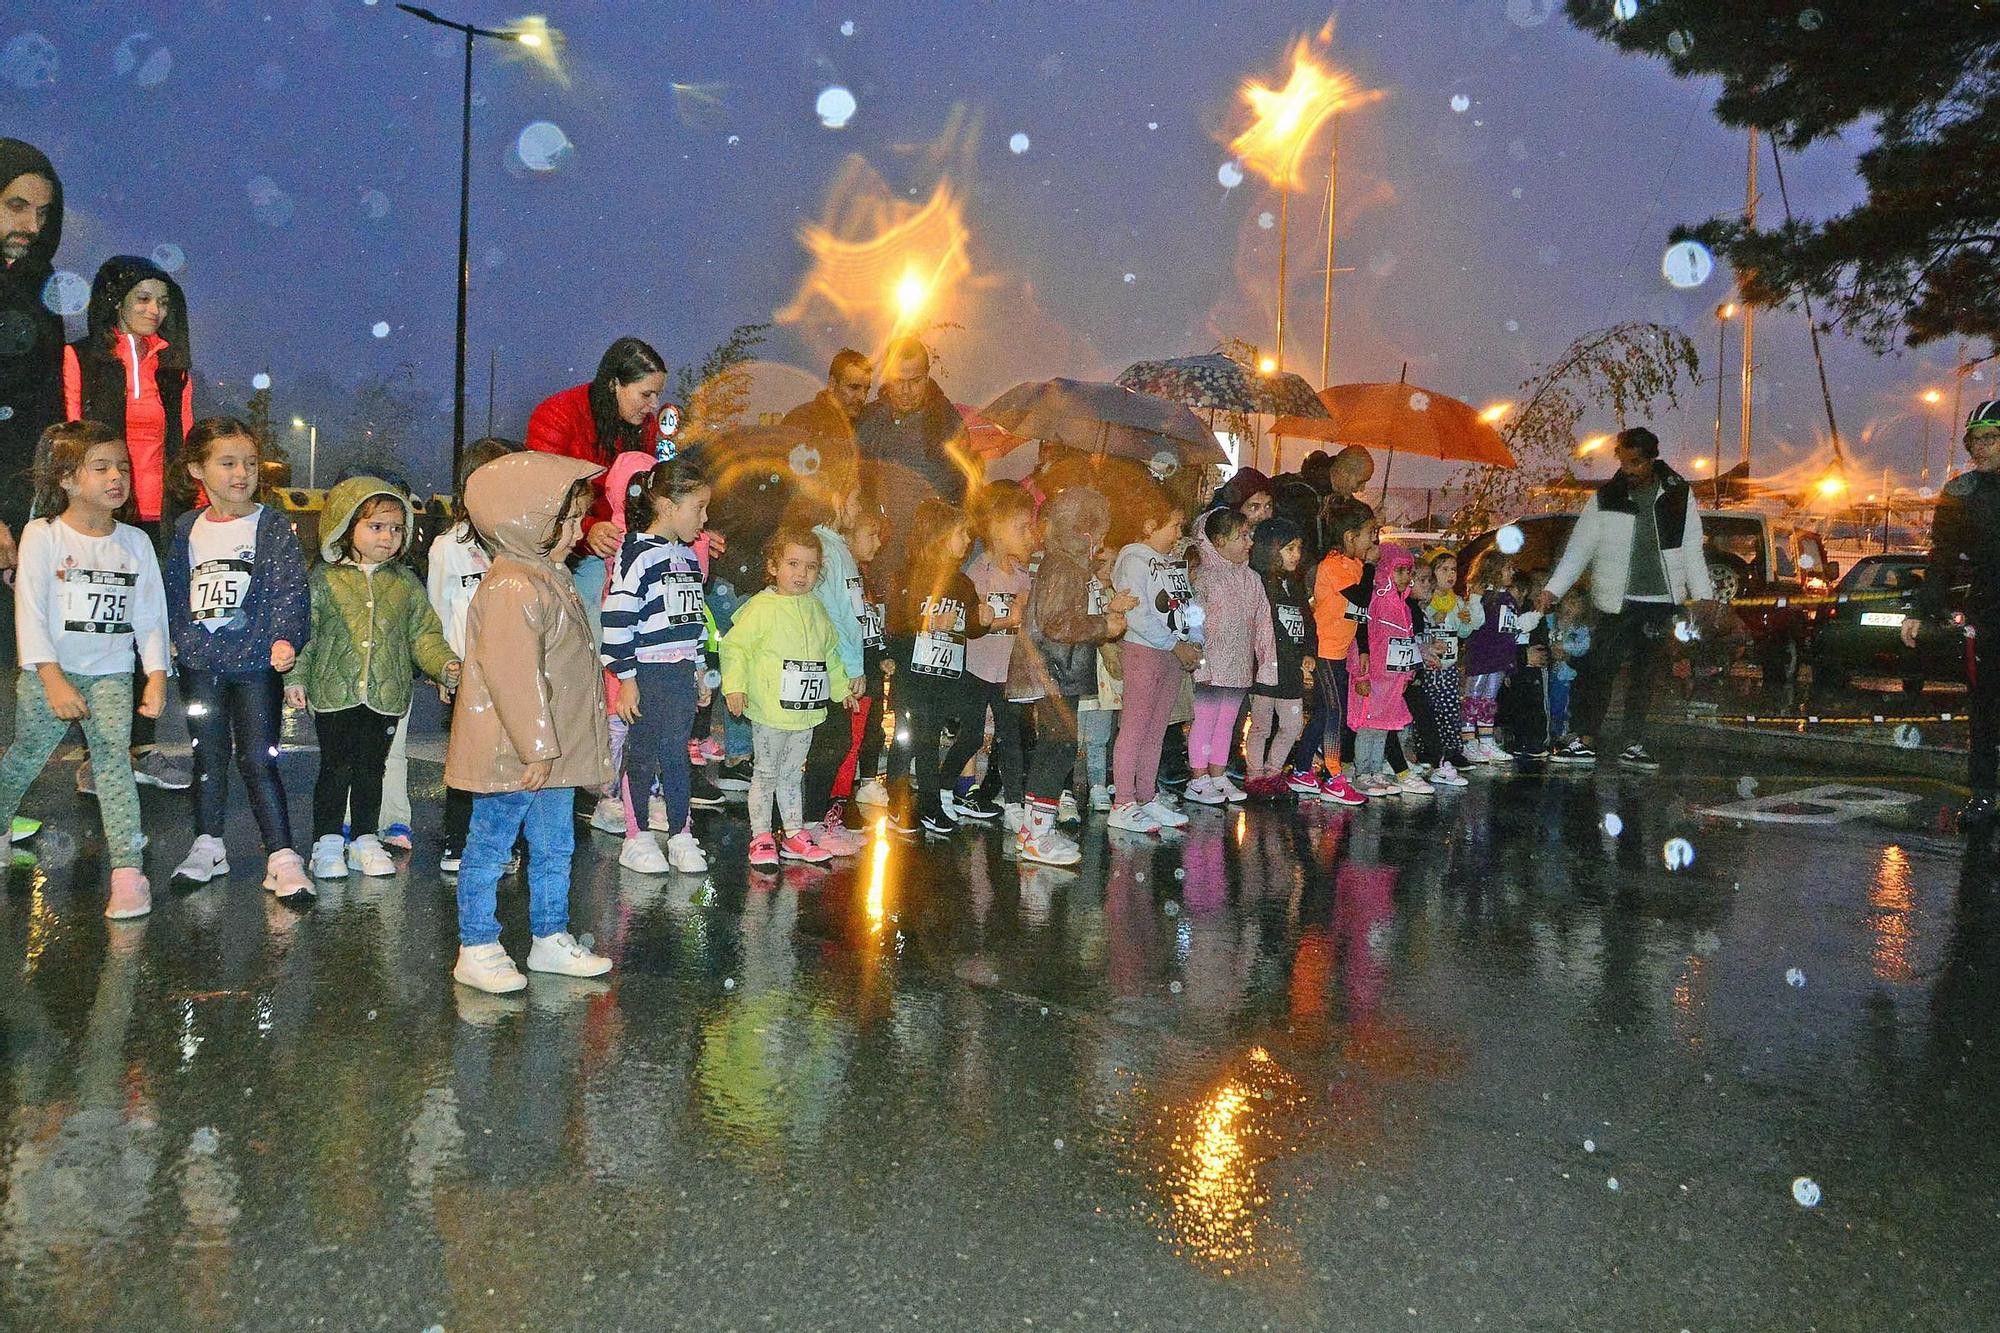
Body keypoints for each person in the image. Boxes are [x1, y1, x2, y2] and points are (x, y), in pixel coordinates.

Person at [445, 451, 616, 993]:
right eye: (564, 521)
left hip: (547, 751)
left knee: (554, 843)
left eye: (576, 519)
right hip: (516, 752)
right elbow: (514, 676)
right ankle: (476, 944)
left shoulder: (547, 575)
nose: (576, 530)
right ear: (525, 521)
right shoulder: (515, 586)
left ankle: (549, 936)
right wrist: (537, 746)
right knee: (491, 844)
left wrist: (552, 746)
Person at [0, 422, 168, 919]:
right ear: (69, 479)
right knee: (26, 758)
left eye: (122, 467)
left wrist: (156, 675)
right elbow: (28, 611)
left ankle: (128, 872)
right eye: (101, 468)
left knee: (114, 763)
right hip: (49, 672)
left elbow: (150, 615)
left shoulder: (136, 543)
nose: (117, 477)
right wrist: (51, 678)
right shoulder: (43, 534)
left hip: (112, 674)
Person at [160, 418, 312, 898]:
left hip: (254, 666)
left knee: (258, 756)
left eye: (249, 463)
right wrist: (174, 638)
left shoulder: (271, 525)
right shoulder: (187, 527)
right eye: (227, 463)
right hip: (201, 666)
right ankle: (208, 843)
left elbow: (291, 588)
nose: (241, 473)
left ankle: (282, 855)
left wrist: (286, 638)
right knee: (208, 754)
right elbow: (174, 589)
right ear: (197, 470)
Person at [288, 476, 458, 880]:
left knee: (371, 769)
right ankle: (326, 841)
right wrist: (296, 677)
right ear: (345, 526)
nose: (388, 537)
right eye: (376, 526)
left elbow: (424, 633)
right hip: (333, 692)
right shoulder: (324, 580)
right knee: (335, 767)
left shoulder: (404, 583)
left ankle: (364, 837)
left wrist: (445, 664)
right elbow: (305, 632)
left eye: (397, 528)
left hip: (386, 692)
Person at [1542, 426, 1714, 770]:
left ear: (1652, 459)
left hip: (1660, 600)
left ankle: (1633, 742)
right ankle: (1585, 738)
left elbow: (1691, 548)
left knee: (1645, 674)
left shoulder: (1678, 495)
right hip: (1616, 602)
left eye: (1636, 462)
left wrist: (1704, 595)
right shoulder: (1607, 498)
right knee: (1598, 669)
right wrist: (1552, 589)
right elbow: (1579, 550)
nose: (1629, 469)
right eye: (1624, 461)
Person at [602, 456, 715, 875]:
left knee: (677, 755)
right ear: (667, 505)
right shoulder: (636, 554)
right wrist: (627, 678)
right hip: (647, 673)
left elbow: (694, 619)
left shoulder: (685, 557)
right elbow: (616, 619)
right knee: (643, 754)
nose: (703, 518)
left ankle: (681, 831)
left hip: (680, 674)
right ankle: (638, 836)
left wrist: (700, 667)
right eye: (698, 507)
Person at [719, 525, 857, 869]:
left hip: (804, 713)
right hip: (770, 711)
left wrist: (841, 690)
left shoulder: (816, 609)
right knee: (766, 773)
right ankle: (761, 835)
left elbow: (830, 655)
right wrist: (735, 686)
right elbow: (735, 647)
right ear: (773, 567)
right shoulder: (761, 608)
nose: (802, 574)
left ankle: (794, 833)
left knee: (793, 773)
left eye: (811, 567)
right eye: (793, 564)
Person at [1011, 485, 1131, 866]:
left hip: (1059, 671)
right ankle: (1037, 835)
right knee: (1057, 750)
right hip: (1053, 671)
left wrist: (1105, 614)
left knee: (1056, 749)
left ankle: (1035, 830)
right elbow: (1057, 623)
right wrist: (1104, 625)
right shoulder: (1063, 567)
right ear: (1086, 531)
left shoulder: (1067, 565)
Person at [525, 336, 666, 640]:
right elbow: (541, 493)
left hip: (620, 555)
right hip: (569, 558)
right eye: (646, 394)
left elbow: (658, 488)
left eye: (657, 395)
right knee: (595, 640)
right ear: (615, 383)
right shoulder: (558, 415)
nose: (653, 405)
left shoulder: (646, 426)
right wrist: (587, 529)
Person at [1904, 400, 2000, 831]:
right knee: (1984, 707)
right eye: (1973, 440)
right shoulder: (1961, 493)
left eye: (1990, 438)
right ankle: (1985, 794)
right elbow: (1941, 558)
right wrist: (1920, 611)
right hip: (1988, 613)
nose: (1979, 448)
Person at [427, 436, 518, 873]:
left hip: (515, 673)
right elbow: (438, 610)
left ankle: (506, 841)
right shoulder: (449, 547)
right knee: (466, 760)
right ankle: (458, 839)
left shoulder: (522, 546)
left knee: (513, 760)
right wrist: (444, 669)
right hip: (467, 673)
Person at [62, 256, 194, 541]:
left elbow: (185, 441)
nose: (155, 310)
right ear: (118, 301)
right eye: (143, 299)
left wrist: (196, 503)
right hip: (99, 512)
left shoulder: (172, 370)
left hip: (162, 517)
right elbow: (71, 438)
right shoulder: (81, 358)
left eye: (163, 302)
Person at [885, 498, 991, 835]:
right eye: (961, 533)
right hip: (912, 675)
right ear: (937, 536)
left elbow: (970, 626)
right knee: (907, 738)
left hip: (943, 675)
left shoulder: (962, 584)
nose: (967, 540)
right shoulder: (908, 577)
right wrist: (927, 620)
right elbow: (896, 621)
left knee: (928, 738)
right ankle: (899, 801)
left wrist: (982, 621)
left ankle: (929, 803)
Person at [1107, 490, 1199, 834]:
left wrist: (1194, 638)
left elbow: (1186, 603)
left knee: (1157, 727)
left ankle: (1146, 795)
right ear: (1149, 525)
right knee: (1134, 727)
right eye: (1174, 526)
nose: (1178, 534)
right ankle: (1124, 801)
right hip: (1145, 651)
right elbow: (1138, 614)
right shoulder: (1134, 560)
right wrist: (1175, 644)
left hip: (1172, 653)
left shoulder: (1171, 563)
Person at [853, 336, 978, 579]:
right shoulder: (869, 421)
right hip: (880, 558)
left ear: (928, 375)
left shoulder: (945, 423)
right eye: (899, 381)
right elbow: (853, 483)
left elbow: (966, 495)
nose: (907, 390)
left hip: (929, 562)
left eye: (916, 381)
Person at [796, 475, 871, 853]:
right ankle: (810, 821)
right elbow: (841, 615)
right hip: (832, 662)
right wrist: (853, 666)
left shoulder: (834, 547)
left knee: (830, 741)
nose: (858, 511)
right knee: (831, 741)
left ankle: (816, 819)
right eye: (855, 501)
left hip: (832, 661)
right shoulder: (826, 547)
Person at [0, 139, 65, 567]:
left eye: (43, 213)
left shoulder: (40, 286)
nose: (32, 226)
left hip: (26, 502)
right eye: (17, 206)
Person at [1185, 507, 1276, 805]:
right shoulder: (1205, 578)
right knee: (1205, 720)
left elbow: (1264, 623)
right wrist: (1200, 662)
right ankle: (1198, 778)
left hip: (1237, 666)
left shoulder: (1252, 579)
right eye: (1242, 537)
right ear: (1220, 541)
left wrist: (1266, 666)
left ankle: (1218, 774)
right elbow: (1194, 620)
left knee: (1227, 722)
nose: (1249, 542)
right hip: (1210, 665)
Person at [958, 481, 1036, 824]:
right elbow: (974, 621)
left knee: (1012, 734)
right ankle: (963, 787)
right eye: (1022, 527)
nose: (1029, 535)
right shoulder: (978, 573)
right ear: (996, 529)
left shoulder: (1022, 576)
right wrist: (1011, 617)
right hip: (977, 666)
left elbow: (1028, 618)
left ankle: (1015, 801)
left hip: (1008, 670)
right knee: (972, 731)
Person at [1302, 501, 1377, 805]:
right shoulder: (1332, 565)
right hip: (1324, 650)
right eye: (1370, 533)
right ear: (1349, 536)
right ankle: (1333, 777)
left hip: (1341, 651)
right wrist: (1372, 565)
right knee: (1334, 713)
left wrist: (1364, 648)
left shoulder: (1354, 564)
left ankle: (1302, 769)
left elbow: (1359, 611)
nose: (1374, 540)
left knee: (1324, 713)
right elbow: (1360, 595)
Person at [1347, 544, 1423, 794]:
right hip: (1374, 676)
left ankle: (1376, 771)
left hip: (1392, 680)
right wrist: (1361, 673)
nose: (1406, 577)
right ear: (1385, 570)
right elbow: (1361, 638)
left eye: (1409, 572)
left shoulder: (1405, 607)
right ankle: (1362, 772)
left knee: (1382, 726)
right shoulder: (1375, 601)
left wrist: (1407, 673)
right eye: (1399, 571)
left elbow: (1407, 641)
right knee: (1368, 727)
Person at [1247, 516, 1314, 796]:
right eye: (1289, 549)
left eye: (1298, 548)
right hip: (1264, 668)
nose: (1296, 555)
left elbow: (1308, 621)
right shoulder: (1258, 583)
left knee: (1292, 723)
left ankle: (1273, 770)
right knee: (1261, 725)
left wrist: (1309, 651)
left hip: (1290, 669)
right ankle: (1254, 774)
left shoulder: (1294, 585)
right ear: (1270, 550)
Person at [1416, 549, 1476, 783]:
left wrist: (1465, 623)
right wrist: (1433, 616)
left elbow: (1462, 633)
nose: (1450, 575)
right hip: (1430, 664)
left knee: (1450, 705)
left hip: (1449, 664)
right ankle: (1427, 749)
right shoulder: (1427, 599)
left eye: (1453, 570)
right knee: (1430, 705)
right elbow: (1421, 626)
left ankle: (1452, 749)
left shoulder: (1458, 601)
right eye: (1444, 569)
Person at [1404, 560, 1466, 786]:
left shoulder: (1418, 610)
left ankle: (1434, 759)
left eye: (1429, 579)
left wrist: (1430, 649)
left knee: (1423, 715)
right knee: (1405, 719)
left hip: (1416, 673)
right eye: (1422, 579)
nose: (1428, 584)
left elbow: (1419, 640)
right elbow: (1408, 640)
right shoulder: (1407, 608)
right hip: (1405, 675)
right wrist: (1427, 651)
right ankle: (1413, 761)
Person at [1075, 538, 1125, 813]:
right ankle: (1068, 789)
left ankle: (1097, 784)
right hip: (1083, 674)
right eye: (1103, 562)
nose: (1108, 569)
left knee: (1100, 735)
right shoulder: (1084, 592)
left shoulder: (1117, 596)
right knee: (1076, 735)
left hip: (1107, 682)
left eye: (1114, 563)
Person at [1462, 549, 1521, 763]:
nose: (1512, 572)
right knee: (1473, 697)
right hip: (1481, 656)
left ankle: (1486, 740)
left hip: (1500, 658)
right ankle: (1468, 740)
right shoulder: (1482, 597)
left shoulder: (1508, 598)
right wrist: (1475, 598)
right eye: (1508, 568)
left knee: (1489, 699)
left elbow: (1513, 628)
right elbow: (1475, 623)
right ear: (1494, 570)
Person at [781, 347, 871, 448]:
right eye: (854, 387)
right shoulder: (800, 421)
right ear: (832, 384)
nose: (862, 397)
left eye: (866, 390)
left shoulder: (868, 427)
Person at [1548, 588, 1594, 742]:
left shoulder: (1580, 628)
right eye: (1568, 602)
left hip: (1566, 675)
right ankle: (1548, 732)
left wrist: (1565, 647)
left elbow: (1584, 646)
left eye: (1575, 604)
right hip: (1548, 671)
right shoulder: (1550, 621)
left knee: (1562, 704)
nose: (1570, 607)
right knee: (1548, 702)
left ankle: (1562, 733)